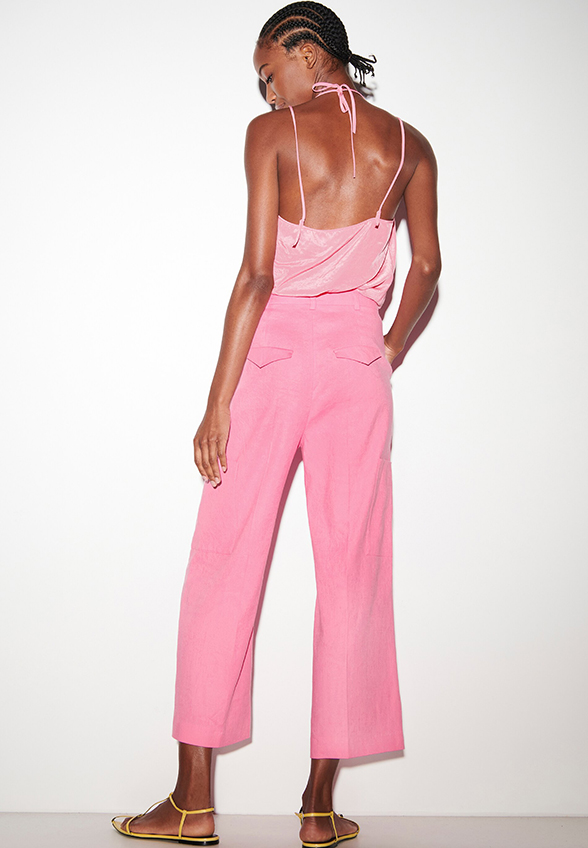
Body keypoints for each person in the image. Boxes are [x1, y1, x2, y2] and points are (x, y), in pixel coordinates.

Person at [111, 2, 441, 846]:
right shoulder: (410, 146)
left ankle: (192, 803)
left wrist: (217, 399)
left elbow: (257, 277)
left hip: (272, 359)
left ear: (308, 51)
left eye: (268, 71)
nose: (265, 90)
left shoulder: (272, 135)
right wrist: (386, 348)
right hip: (357, 370)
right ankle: (319, 810)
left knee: (222, 566)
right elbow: (429, 270)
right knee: (354, 575)